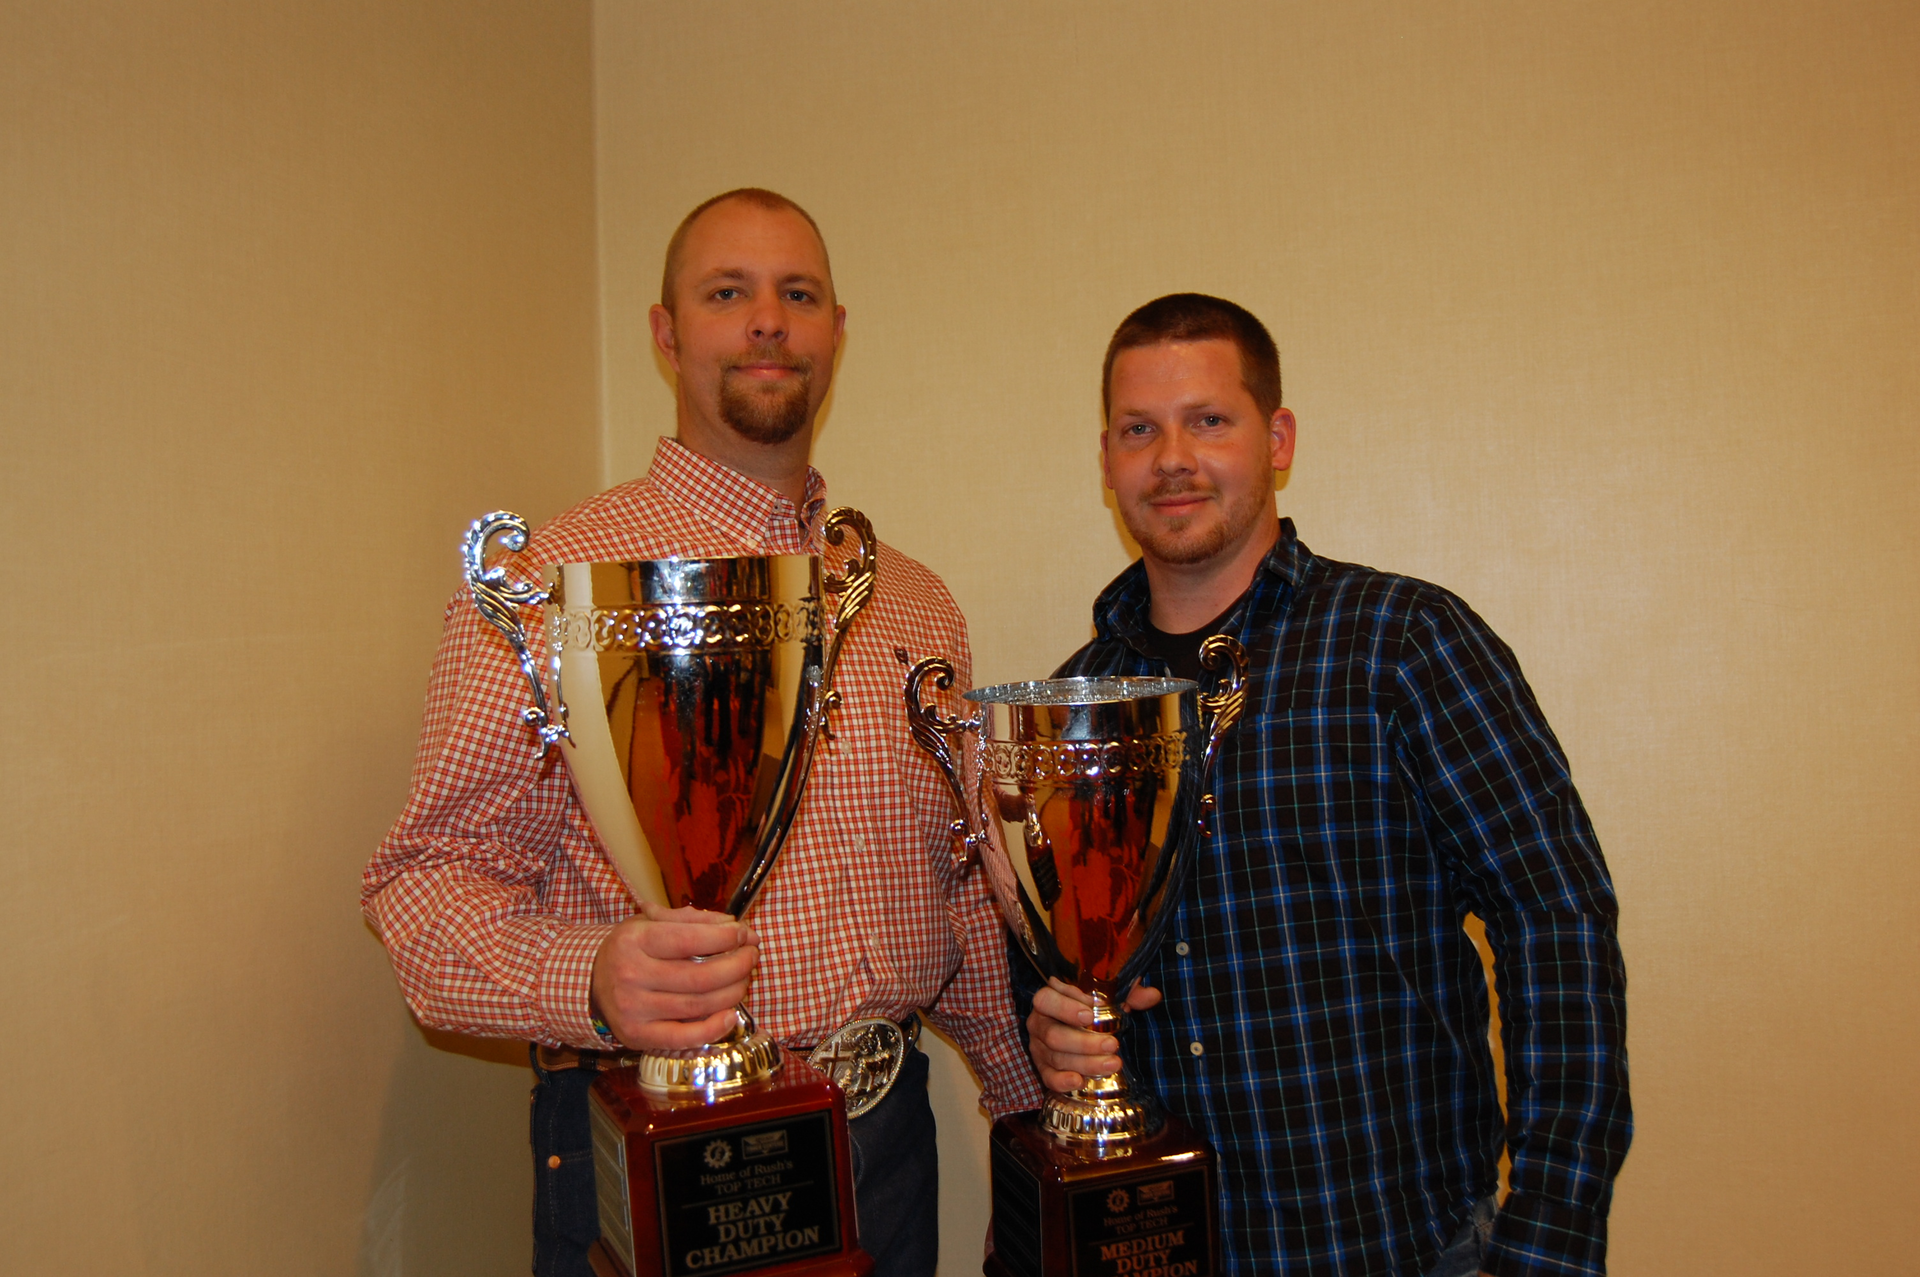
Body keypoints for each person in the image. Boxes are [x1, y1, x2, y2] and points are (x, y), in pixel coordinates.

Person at [365, 188, 1040, 1277]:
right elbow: (426, 881)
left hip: (889, 1147)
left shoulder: (911, 602)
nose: (768, 320)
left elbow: (955, 882)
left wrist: (1032, 1117)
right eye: (728, 293)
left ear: (836, 331)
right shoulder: (563, 585)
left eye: (799, 294)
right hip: (658, 1145)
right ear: (666, 333)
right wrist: (589, 974)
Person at [1020, 294, 1630, 1277]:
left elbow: (1555, 921)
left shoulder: (1403, 642)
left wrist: (1551, 1230)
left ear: (1278, 437)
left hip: (1408, 1248)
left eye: (1208, 420)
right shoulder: (1069, 711)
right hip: (1169, 1249)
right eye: (1140, 429)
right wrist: (1051, 1029)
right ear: (1106, 459)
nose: (1172, 456)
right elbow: (1055, 970)